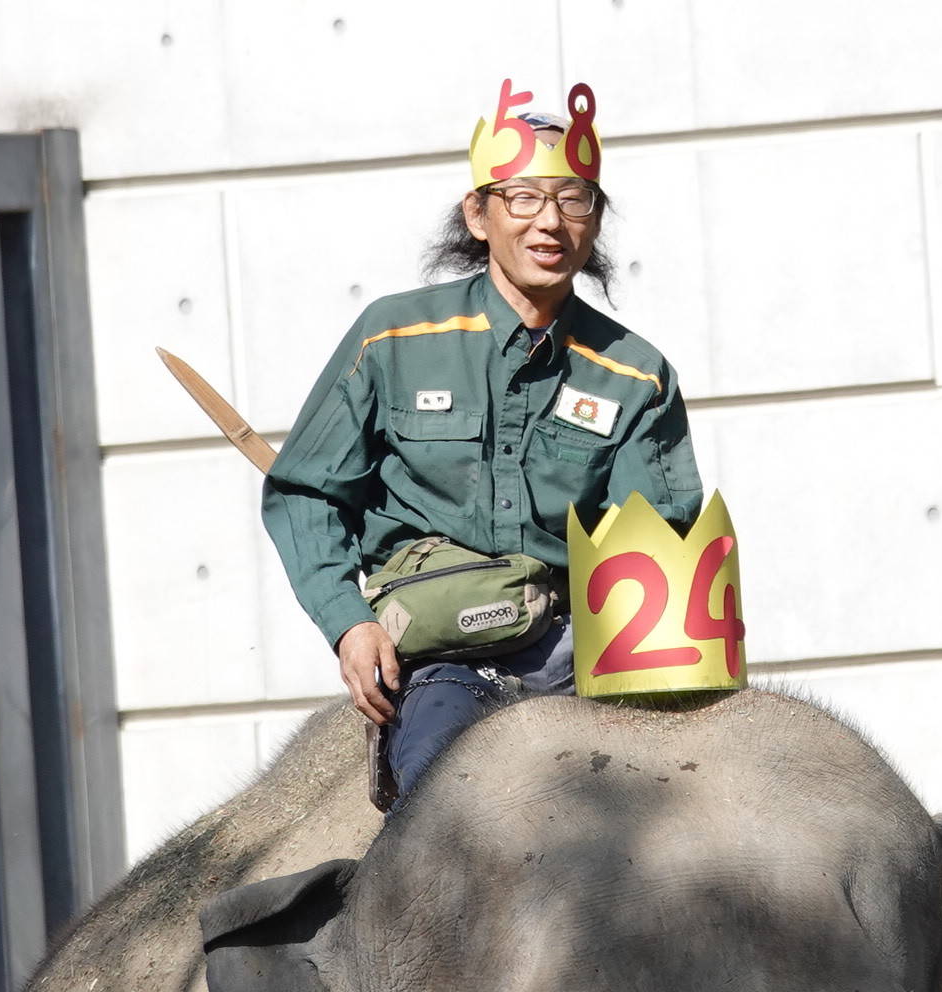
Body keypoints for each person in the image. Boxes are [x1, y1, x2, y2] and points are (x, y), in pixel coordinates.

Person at [260, 80, 704, 799]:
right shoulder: (392, 337)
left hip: (579, 655)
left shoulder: (636, 374)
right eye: (523, 198)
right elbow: (305, 491)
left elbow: (658, 545)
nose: (550, 223)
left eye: (573, 199)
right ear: (478, 213)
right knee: (444, 808)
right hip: (446, 660)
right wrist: (349, 624)